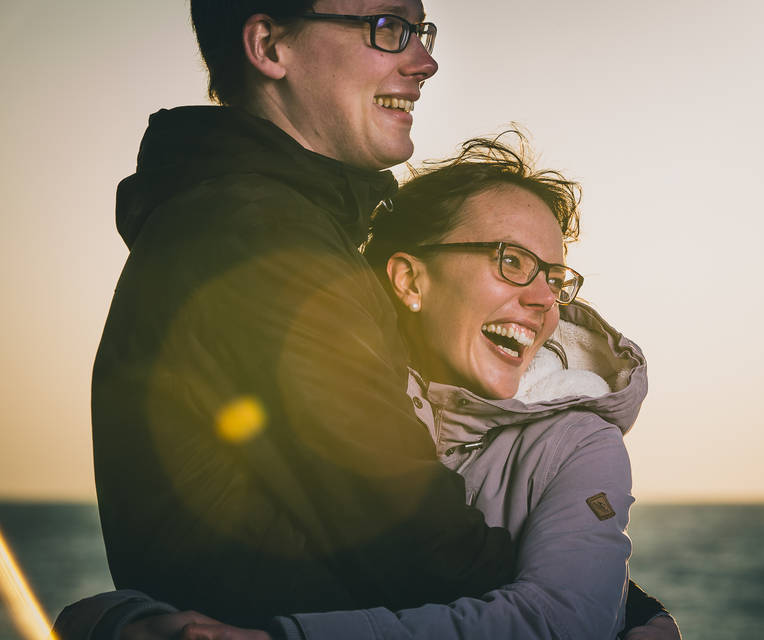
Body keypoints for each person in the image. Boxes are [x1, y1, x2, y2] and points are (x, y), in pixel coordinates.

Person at [55, 135, 681, 639]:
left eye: (553, 276)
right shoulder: (326, 393)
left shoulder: (579, 446)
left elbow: (560, 622)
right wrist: (114, 619)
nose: (543, 297)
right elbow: (225, 561)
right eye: (511, 261)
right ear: (410, 281)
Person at [88, 0, 518, 628]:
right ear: (269, 47)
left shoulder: (277, 225)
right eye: (388, 28)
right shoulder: (259, 237)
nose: (424, 62)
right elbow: (420, 548)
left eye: (420, 32)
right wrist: (607, 607)